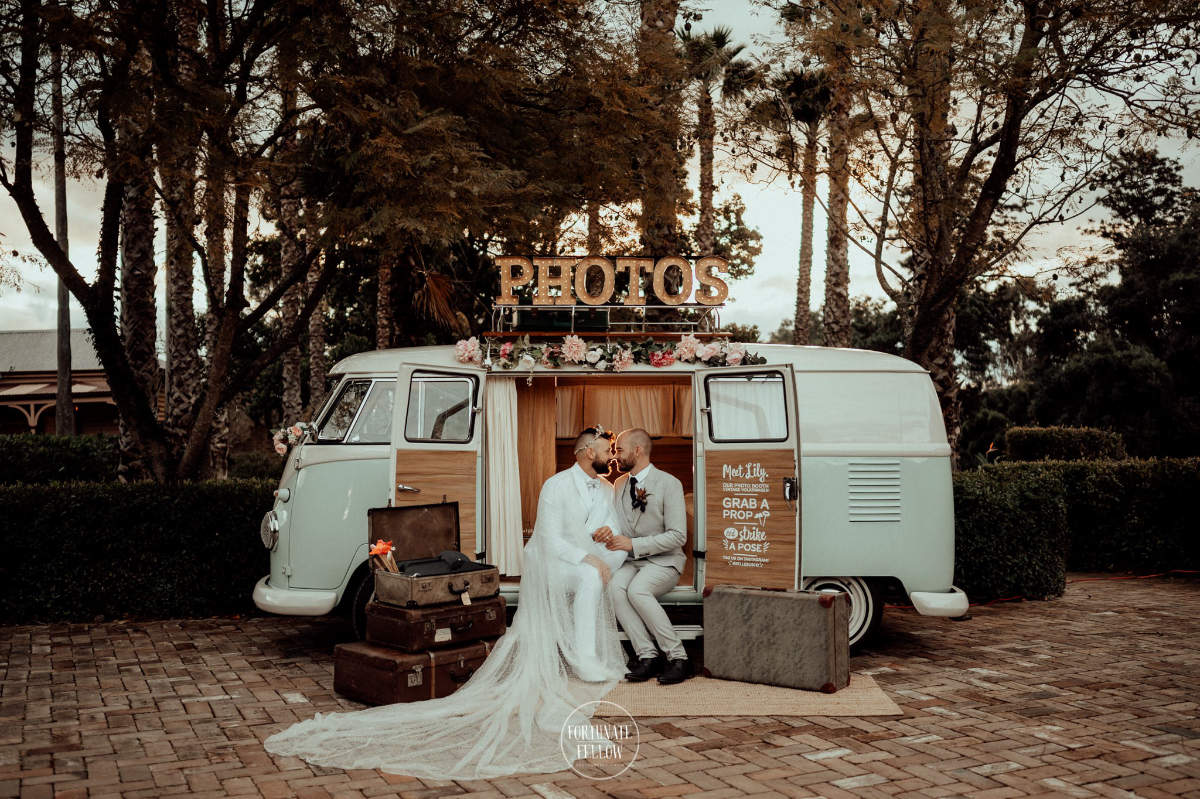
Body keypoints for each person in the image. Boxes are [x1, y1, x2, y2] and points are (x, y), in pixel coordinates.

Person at [262, 426, 629, 779]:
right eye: (603, 448)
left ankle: (588, 654)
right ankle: (585, 659)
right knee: (588, 575)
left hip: (589, 563)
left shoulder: (606, 490)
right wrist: (588, 559)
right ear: (585, 452)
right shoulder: (556, 486)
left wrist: (606, 547)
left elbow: (613, 533)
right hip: (553, 563)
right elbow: (548, 538)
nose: (610, 455)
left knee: (592, 577)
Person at [595, 428, 692, 685]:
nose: (615, 457)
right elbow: (617, 525)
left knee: (637, 590)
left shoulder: (669, 483)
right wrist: (605, 533)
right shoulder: (619, 484)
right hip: (630, 561)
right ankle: (647, 656)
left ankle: (678, 657)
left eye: (619, 450)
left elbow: (678, 536)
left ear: (637, 450)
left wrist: (634, 544)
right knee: (614, 588)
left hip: (664, 561)